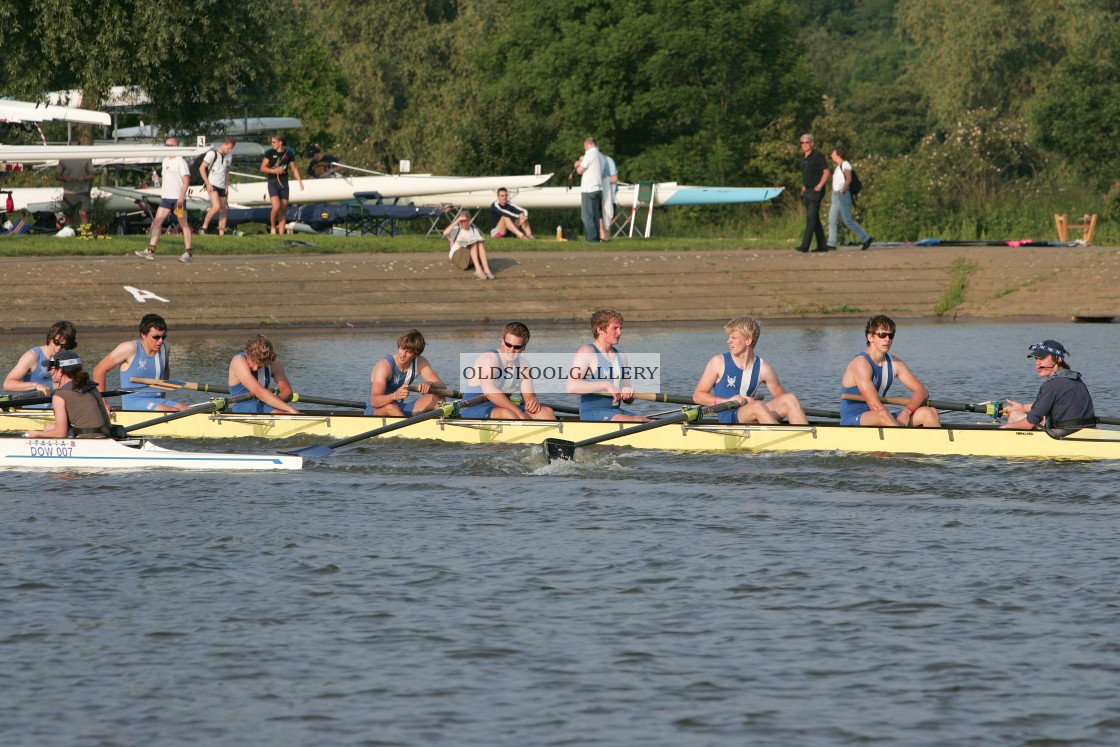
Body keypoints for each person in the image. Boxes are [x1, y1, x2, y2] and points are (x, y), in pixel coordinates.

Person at [692, 315, 808, 425]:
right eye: (729, 337)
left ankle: (806, 438)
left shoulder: (764, 368)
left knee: (790, 399)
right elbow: (698, 396)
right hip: (730, 418)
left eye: (733, 338)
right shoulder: (718, 362)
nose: (728, 341)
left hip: (753, 413)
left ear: (748, 341)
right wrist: (726, 401)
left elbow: (781, 400)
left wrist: (753, 404)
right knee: (758, 406)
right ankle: (784, 440)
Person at [839, 314, 940, 427]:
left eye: (890, 335)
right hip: (854, 419)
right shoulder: (860, 364)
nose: (887, 339)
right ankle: (903, 441)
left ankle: (941, 444)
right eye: (882, 335)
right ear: (870, 337)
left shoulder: (896, 364)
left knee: (929, 412)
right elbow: (875, 406)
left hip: (882, 417)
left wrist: (906, 412)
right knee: (883, 414)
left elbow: (922, 391)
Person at [460, 322, 556, 420]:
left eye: (517, 347)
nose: (511, 349)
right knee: (509, 414)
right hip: (474, 408)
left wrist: (533, 400)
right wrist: (519, 413)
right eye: (508, 345)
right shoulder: (489, 358)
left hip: (502, 407)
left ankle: (553, 435)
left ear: (524, 347)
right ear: (502, 341)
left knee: (546, 412)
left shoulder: (524, 366)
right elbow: (490, 392)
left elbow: (529, 398)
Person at [567, 309, 650, 422]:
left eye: (620, 328)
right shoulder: (587, 352)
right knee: (638, 422)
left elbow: (628, 401)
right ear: (600, 329)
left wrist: (629, 394)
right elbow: (571, 386)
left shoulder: (621, 356)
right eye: (615, 328)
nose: (619, 333)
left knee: (650, 422)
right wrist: (606, 385)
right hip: (592, 413)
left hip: (615, 411)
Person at [94, 313, 188, 412]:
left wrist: (162, 397)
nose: (160, 341)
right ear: (143, 334)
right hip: (134, 401)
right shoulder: (130, 348)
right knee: (173, 411)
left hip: (157, 400)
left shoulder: (165, 348)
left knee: (190, 411)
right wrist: (103, 404)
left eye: (163, 337)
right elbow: (99, 369)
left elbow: (165, 371)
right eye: (156, 337)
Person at [1001, 340, 1095, 430]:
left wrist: (1002, 428)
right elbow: (1053, 403)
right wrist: (1023, 408)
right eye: (1036, 358)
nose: (1037, 363)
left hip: (1064, 435)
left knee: (1014, 416)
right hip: (1086, 431)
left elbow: (1029, 424)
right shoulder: (1076, 380)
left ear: (1058, 359)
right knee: (1018, 413)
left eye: (1042, 358)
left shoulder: (1052, 385)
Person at [22, 351, 114, 439]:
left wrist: (37, 434)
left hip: (88, 440)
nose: (49, 371)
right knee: (51, 426)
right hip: (108, 434)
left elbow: (60, 433)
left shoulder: (59, 396)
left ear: (60, 370)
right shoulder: (92, 387)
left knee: (49, 428)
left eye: (50, 368)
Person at [135, 137, 193, 263]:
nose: (167, 148)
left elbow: (186, 180)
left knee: (183, 225)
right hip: (166, 198)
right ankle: (150, 251)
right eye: (166, 145)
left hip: (177, 199)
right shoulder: (165, 161)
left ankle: (188, 252)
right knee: (157, 222)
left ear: (176, 146)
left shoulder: (180, 161)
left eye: (170, 145)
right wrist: (157, 179)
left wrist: (181, 197)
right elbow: (166, 178)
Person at [366, 329, 446, 417]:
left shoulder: (420, 362)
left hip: (398, 407)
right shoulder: (384, 366)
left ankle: (448, 427)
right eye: (402, 348)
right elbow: (374, 401)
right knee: (391, 407)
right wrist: (394, 396)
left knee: (437, 398)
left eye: (408, 352)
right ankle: (410, 429)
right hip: (376, 410)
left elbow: (442, 387)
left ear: (416, 353)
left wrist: (430, 383)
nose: (403, 354)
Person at [3, 321, 78, 408]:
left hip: (57, 408)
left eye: (64, 346)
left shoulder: (67, 358)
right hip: (33, 412)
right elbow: (7, 385)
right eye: (56, 343)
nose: (58, 349)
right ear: (50, 338)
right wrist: (36, 385)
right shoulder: (32, 356)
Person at [228, 334, 300, 414]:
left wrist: (273, 401)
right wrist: (289, 409)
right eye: (253, 362)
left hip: (264, 403)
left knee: (288, 412)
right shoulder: (238, 361)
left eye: (260, 366)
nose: (255, 368)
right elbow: (259, 392)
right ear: (247, 353)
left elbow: (287, 391)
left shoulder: (274, 363)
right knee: (288, 412)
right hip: (242, 406)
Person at [827, 147, 873, 251]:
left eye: (833, 153)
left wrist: (843, 189)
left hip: (843, 194)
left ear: (838, 154)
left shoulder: (845, 164)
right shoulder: (838, 167)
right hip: (836, 195)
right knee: (832, 219)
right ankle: (831, 243)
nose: (831, 155)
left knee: (847, 220)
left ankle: (866, 238)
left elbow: (849, 179)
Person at [260, 133, 304, 235]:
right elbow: (262, 168)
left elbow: (294, 168)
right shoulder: (269, 153)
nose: (272, 144)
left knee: (283, 209)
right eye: (272, 142)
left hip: (284, 183)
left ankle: (281, 233)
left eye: (274, 142)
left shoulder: (289, 154)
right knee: (276, 207)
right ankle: (272, 227)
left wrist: (300, 181)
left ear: (280, 143)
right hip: (273, 182)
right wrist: (273, 171)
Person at [796, 134, 832, 253]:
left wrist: (820, 185)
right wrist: (804, 185)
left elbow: (826, 172)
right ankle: (822, 245)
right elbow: (805, 173)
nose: (804, 145)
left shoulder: (818, 156)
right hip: (807, 190)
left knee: (810, 217)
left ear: (812, 143)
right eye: (802, 143)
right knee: (814, 218)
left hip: (816, 191)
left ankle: (805, 245)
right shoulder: (803, 157)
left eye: (807, 142)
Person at [443, 210, 495, 279]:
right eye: (461, 221)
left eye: (465, 220)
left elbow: (480, 242)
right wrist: (457, 220)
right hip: (458, 254)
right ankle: (478, 270)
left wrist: (482, 239)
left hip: (470, 257)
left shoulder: (474, 230)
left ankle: (486, 270)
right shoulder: (456, 229)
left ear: (469, 220)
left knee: (479, 242)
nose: (463, 223)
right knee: (474, 243)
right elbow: (445, 233)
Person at [199, 137, 235, 236]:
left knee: (223, 209)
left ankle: (221, 233)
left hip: (222, 185)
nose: (230, 150)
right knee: (216, 206)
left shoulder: (229, 156)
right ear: (224, 144)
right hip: (212, 184)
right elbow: (202, 168)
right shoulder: (212, 154)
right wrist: (207, 183)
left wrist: (227, 185)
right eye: (229, 148)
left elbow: (227, 171)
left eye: (231, 149)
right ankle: (204, 228)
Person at [55, 138, 94, 228]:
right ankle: (68, 233)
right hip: (69, 192)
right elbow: (57, 176)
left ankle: (85, 233)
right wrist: (64, 178)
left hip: (82, 191)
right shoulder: (64, 159)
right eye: (71, 146)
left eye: (75, 146)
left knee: (83, 213)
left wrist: (84, 178)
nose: (73, 148)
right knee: (68, 215)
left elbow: (92, 175)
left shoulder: (85, 158)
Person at [574, 136, 603, 243]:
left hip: (589, 188)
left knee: (586, 216)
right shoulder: (600, 155)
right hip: (598, 187)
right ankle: (596, 236)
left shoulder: (590, 153)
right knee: (595, 215)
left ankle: (591, 238)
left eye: (585, 147)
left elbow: (580, 170)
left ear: (588, 145)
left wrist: (577, 165)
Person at [599, 152, 618, 241]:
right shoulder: (596, 161)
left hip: (608, 193)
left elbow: (614, 179)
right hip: (599, 192)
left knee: (607, 214)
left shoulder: (608, 160)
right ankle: (602, 237)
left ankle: (605, 237)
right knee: (600, 215)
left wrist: (603, 181)